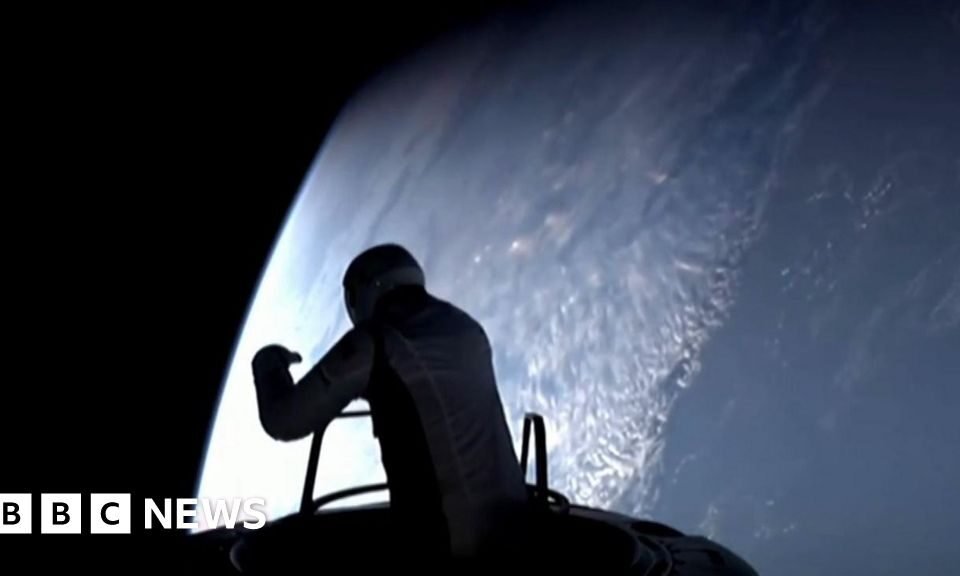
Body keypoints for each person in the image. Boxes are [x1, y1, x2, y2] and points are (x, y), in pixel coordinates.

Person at [250, 243, 529, 562]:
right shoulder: (466, 327)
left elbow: (284, 419)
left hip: (450, 548)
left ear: (365, 289)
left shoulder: (377, 341)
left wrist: (268, 362)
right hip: (516, 529)